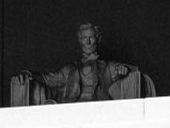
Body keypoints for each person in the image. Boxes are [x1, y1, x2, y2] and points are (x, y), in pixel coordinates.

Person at [11, 22, 155, 104]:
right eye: (84, 38)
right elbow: (46, 78)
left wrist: (124, 70)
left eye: (91, 37)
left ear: (97, 39)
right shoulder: (69, 70)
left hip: (101, 108)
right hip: (72, 109)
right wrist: (27, 74)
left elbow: (131, 70)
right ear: (80, 40)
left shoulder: (108, 67)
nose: (88, 41)